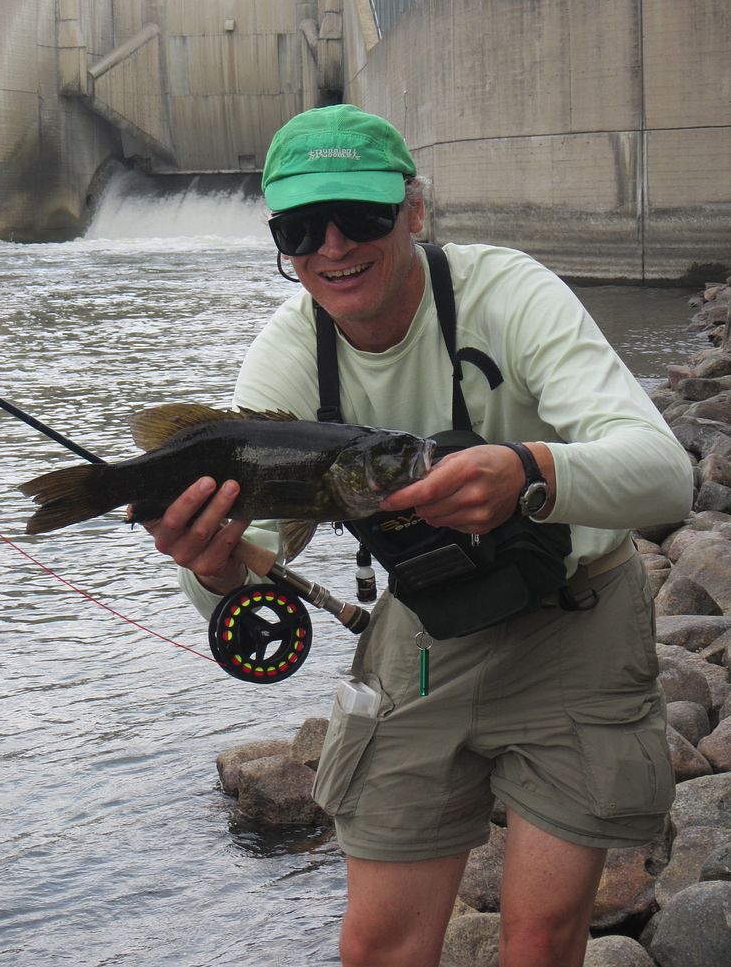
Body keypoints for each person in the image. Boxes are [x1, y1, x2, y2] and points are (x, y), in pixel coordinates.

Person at [144, 105, 693, 967]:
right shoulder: (285, 361)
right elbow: (238, 568)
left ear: (415, 211)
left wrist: (530, 472)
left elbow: (667, 472)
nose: (331, 246)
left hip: (578, 618)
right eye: (298, 227)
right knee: (376, 944)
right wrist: (211, 570)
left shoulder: (508, 294)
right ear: (279, 240)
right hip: (426, 631)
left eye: (360, 217)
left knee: (544, 936)